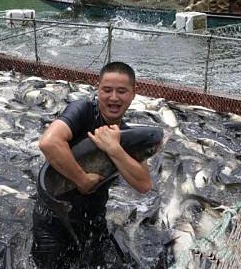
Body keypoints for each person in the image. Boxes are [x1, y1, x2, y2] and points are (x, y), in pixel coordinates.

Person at [32, 62, 152, 268]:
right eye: (107, 90)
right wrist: (82, 179)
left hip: (93, 219)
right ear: (98, 90)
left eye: (122, 91)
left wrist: (114, 149)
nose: (113, 97)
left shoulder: (125, 135)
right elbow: (48, 142)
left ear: (133, 94)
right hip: (53, 219)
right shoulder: (83, 110)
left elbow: (144, 185)